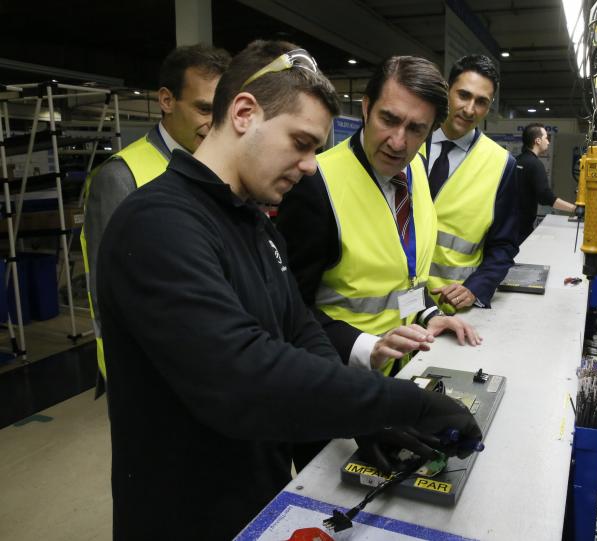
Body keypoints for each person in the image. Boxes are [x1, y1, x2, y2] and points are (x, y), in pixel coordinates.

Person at [97, 40, 482, 540]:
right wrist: (405, 403)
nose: (310, 165)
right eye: (300, 143)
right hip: (185, 511)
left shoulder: (248, 219)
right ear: (242, 113)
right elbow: (244, 372)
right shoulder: (158, 224)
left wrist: (361, 420)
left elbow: (298, 326)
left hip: (257, 491)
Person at [276, 56, 481, 379]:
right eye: (389, 119)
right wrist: (364, 348)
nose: (398, 142)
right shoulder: (316, 185)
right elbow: (287, 308)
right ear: (367, 107)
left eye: (416, 129)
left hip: (405, 370)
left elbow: (399, 278)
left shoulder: (415, 169)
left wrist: (427, 315)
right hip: (338, 377)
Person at [81, 44, 231, 388]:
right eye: (204, 108)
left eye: (221, 110)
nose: (214, 123)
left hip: (213, 359)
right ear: (166, 100)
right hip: (149, 368)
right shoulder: (122, 176)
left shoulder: (219, 167)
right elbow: (109, 291)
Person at [423, 54, 519, 313]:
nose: (469, 109)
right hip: (392, 300)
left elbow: (504, 244)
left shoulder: (502, 165)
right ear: (447, 90)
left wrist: (477, 287)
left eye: (481, 102)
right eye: (463, 95)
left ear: (489, 108)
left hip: (449, 307)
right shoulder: (409, 139)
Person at [516, 123, 577, 243]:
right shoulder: (535, 165)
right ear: (537, 141)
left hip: (509, 225)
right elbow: (545, 197)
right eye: (546, 138)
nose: (548, 142)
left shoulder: (517, 160)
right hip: (521, 229)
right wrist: (575, 209)